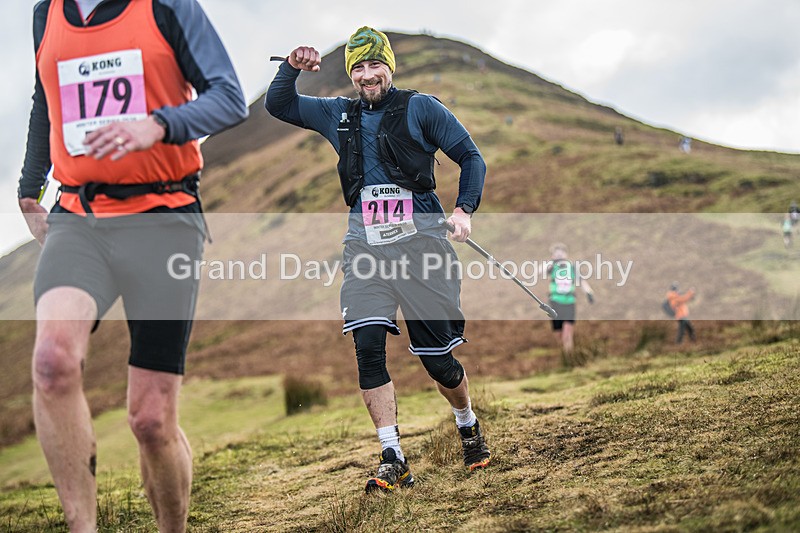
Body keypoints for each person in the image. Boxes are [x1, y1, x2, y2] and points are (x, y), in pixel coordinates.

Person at [17, 1, 247, 530]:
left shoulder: (168, 6)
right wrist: (32, 186)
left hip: (164, 219)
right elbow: (44, 100)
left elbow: (230, 98)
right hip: (80, 216)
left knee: (151, 419)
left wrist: (160, 125)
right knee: (52, 363)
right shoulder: (46, 13)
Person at [266, 27, 491, 493]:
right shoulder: (338, 114)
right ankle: (394, 457)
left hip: (423, 249)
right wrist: (290, 66)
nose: (367, 75)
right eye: (358, 67)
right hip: (365, 250)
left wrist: (464, 210)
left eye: (375, 65)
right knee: (367, 346)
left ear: (390, 66)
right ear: (351, 73)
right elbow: (280, 104)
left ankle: (467, 424)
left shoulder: (420, 108)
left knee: (438, 363)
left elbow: (471, 157)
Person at [544, 243, 595, 353]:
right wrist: (551, 264)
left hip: (569, 302)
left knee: (567, 331)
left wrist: (589, 292)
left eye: (561, 252)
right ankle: (564, 354)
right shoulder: (551, 267)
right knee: (559, 334)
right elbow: (540, 271)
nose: (559, 254)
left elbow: (581, 281)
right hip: (555, 303)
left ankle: (569, 356)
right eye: (556, 253)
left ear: (566, 254)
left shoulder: (571, 267)